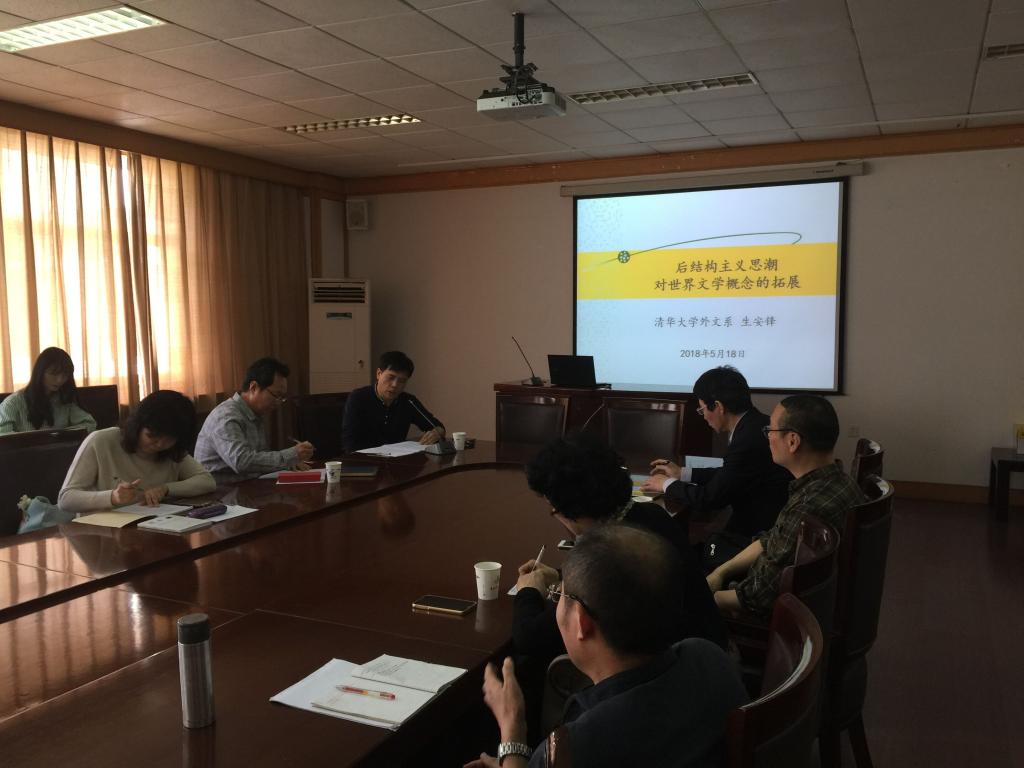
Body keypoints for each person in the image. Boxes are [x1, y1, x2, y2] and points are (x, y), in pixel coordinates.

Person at [466, 525, 748, 768]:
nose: (556, 601)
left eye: (559, 595)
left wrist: (512, 731)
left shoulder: (577, 744)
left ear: (581, 622)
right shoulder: (709, 657)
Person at [514, 435, 728, 663]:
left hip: (675, 673)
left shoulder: (608, 555)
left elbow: (530, 639)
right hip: (709, 656)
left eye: (553, 509)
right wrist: (561, 576)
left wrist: (529, 591)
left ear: (570, 510)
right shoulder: (651, 515)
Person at [707, 395, 867, 618]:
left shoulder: (808, 508)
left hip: (773, 616)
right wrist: (721, 572)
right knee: (712, 552)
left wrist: (705, 599)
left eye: (770, 431)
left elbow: (757, 597)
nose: (768, 438)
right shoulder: (836, 481)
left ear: (792, 441)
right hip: (780, 591)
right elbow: (771, 539)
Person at [640, 366, 792, 566]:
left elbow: (710, 499)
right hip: (761, 522)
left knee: (676, 555)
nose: (703, 416)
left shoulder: (747, 439)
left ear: (719, 406)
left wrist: (666, 484)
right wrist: (682, 473)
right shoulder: (754, 424)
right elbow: (730, 473)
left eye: (702, 409)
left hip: (758, 536)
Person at [58, 390, 215, 514]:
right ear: (137, 425)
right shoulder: (102, 441)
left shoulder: (172, 451)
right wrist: (112, 497)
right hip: (104, 533)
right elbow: (66, 499)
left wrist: (166, 488)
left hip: (155, 527)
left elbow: (207, 481)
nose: (160, 444)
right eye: (152, 436)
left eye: (169, 439)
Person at [194, 357, 314, 479]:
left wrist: (287, 464)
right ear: (254, 387)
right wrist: (291, 455)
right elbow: (241, 461)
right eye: (276, 395)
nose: (278, 402)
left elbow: (259, 458)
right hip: (221, 489)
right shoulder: (225, 416)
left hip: (245, 485)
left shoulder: (255, 413)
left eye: (282, 398)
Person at [341, 351, 444, 452]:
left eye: (402, 381)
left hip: (397, 459)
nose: (395, 385)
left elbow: (436, 426)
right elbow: (350, 444)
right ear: (379, 374)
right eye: (390, 377)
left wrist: (438, 432)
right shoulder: (358, 398)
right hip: (365, 459)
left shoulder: (408, 401)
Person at [0, 347, 96, 434]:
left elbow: (89, 424)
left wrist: (62, 435)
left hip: (60, 448)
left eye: (65, 375)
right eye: (53, 374)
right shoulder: (13, 403)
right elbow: (3, 435)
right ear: (40, 373)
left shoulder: (65, 399)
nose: (60, 380)